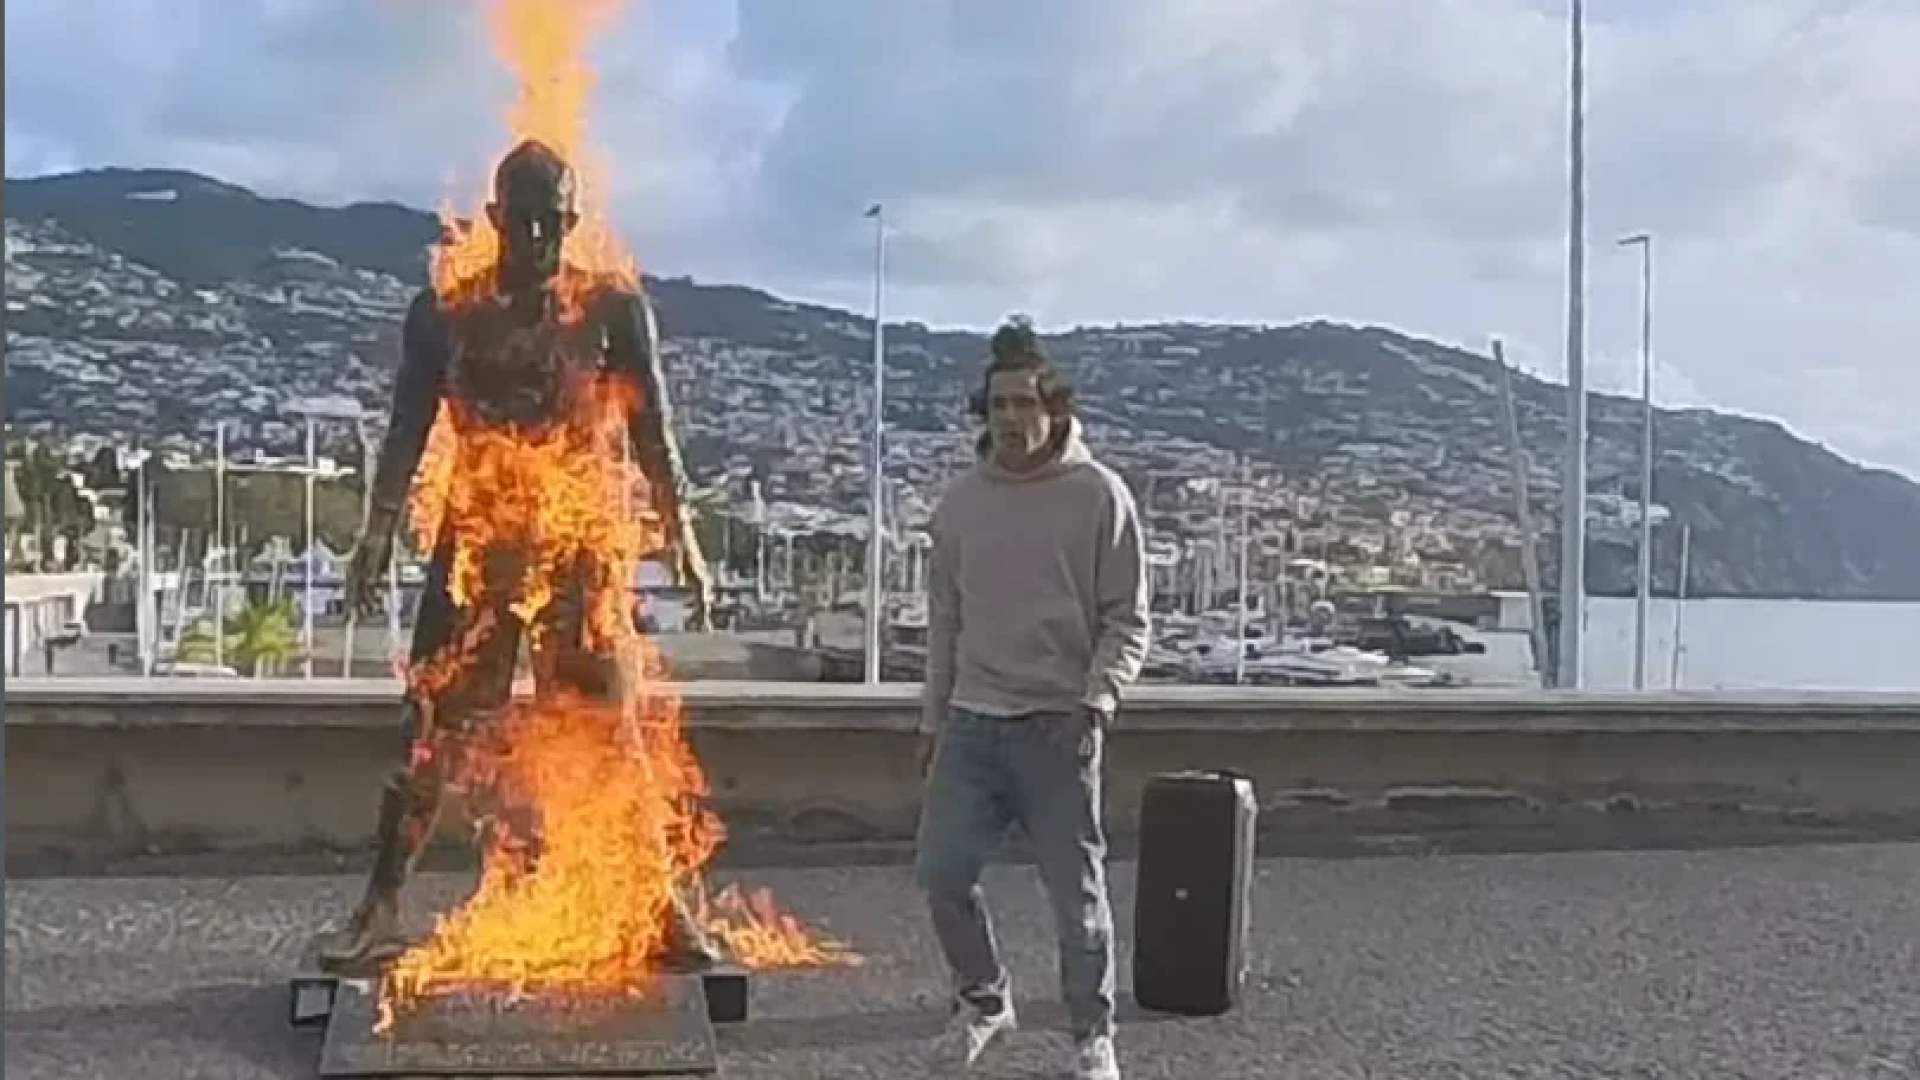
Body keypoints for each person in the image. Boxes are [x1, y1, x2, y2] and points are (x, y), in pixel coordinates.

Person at [316, 138, 716, 974]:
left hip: (574, 552)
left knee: (614, 731)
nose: (536, 237)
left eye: (552, 222)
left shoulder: (611, 310)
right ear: (494, 218)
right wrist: (376, 531)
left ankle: (661, 908)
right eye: (521, 220)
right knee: (428, 731)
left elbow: (655, 431)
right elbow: (406, 429)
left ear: (572, 222)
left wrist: (683, 533)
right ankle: (380, 905)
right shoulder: (445, 314)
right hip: (478, 548)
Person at [915, 318, 1151, 1080]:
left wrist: (1099, 701)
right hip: (974, 721)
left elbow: (1128, 617)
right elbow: (945, 622)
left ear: (1052, 405)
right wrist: (933, 717)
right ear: (981, 413)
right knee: (942, 874)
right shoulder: (959, 506)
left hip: (1059, 725)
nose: (1011, 418)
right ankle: (985, 1000)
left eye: (1023, 402)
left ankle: (1092, 1036)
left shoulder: (1098, 496)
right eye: (997, 406)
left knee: (1076, 899)